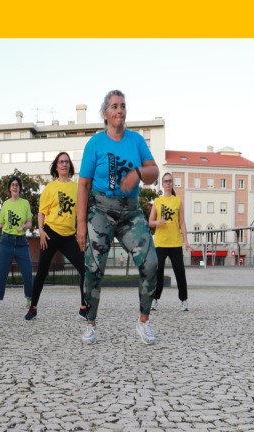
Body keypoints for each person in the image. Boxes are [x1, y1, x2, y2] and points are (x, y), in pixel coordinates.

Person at [76, 90, 160, 344]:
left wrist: (137, 172)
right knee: (93, 268)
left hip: (131, 212)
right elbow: (83, 185)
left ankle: (144, 321)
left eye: (123, 106)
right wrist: (81, 225)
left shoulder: (135, 141)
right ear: (105, 113)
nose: (120, 110)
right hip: (100, 210)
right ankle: (90, 322)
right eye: (114, 106)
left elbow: (154, 171)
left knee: (151, 263)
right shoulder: (95, 144)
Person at [25, 152, 88, 321]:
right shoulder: (50, 188)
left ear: (70, 166)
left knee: (85, 269)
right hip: (51, 233)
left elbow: (82, 211)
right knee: (42, 272)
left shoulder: (76, 188)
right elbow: (41, 212)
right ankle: (33, 307)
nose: (64, 164)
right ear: (56, 166)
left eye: (67, 162)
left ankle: (84, 307)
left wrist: (82, 232)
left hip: (69, 236)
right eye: (61, 162)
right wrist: (41, 231)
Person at [0, 176, 33, 310]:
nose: (15, 187)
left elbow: (30, 222)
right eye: (12, 184)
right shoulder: (6, 204)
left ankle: (29, 298)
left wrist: (25, 226)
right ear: (9, 188)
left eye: (17, 185)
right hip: (6, 241)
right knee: (1, 272)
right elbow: (0, 222)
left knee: (27, 271)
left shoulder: (25, 203)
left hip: (21, 242)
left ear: (20, 188)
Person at [148, 172, 191, 312]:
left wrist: (186, 241)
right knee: (158, 272)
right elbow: (150, 222)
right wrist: (157, 222)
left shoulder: (177, 201)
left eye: (170, 181)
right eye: (165, 181)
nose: (167, 183)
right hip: (160, 243)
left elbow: (182, 223)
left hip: (175, 243)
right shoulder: (157, 201)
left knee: (180, 272)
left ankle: (184, 300)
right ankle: (155, 300)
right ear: (162, 183)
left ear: (172, 183)